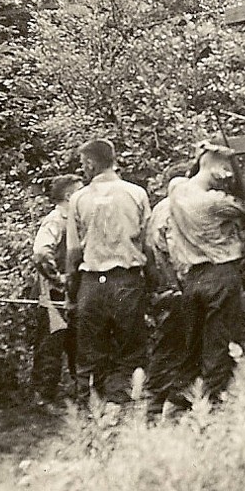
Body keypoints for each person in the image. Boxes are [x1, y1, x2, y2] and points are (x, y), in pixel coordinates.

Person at [166, 140, 245, 401]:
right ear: (217, 169)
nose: (228, 174)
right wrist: (235, 175)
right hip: (221, 274)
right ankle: (213, 403)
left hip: (193, 277)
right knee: (220, 345)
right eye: (226, 168)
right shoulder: (216, 202)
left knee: (193, 346)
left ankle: (179, 402)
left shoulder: (177, 190)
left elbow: (194, 173)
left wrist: (204, 157)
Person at [66, 139, 151, 405]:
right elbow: (148, 245)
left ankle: (90, 413)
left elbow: (73, 252)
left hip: (92, 283)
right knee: (131, 352)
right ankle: (125, 408)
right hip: (127, 281)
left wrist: (72, 289)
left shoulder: (78, 199)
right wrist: (153, 282)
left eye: (83, 164)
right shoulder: (136, 193)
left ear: (91, 163)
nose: (83, 169)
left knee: (90, 354)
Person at [30, 174, 83, 406]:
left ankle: (81, 400)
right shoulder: (55, 220)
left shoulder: (75, 220)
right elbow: (41, 253)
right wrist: (59, 280)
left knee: (78, 345)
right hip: (52, 296)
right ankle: (43, 402)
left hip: (73, 294)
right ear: (69, 195)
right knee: (50, 349)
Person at [143, 161, 192, 413]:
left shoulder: (158, 208)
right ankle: (158, 400)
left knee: (170, 341)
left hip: (163, 283)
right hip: (175, 283)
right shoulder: (174, 209)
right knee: (174, 341)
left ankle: (165, 396)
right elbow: (173, 248)